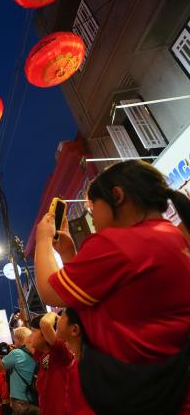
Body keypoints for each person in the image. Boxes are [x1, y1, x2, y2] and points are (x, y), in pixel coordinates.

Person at [35, 160, 190, 414]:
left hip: (133, 394)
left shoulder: (118, 243)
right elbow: (110, 299)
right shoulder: (171, 235)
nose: (92, 216)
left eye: (92, 206)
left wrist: (42, 238)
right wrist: (70, 256)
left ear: (117, 196)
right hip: (167, 388)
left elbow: (49, 291)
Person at [28, 313, 73, 415]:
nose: (30, 336)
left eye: (33, 331)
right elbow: (27, 342)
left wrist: (54, 315)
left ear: (45, 334)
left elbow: (45, 323)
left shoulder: (59, 354)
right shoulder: (42, 354)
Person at [0, 327, 37, 415]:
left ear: (19, 339)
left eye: (15, 339)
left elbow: (0, 367)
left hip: (19, 399)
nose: (14, 341)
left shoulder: (16, 353)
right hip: (33, 396)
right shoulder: (33, 351)